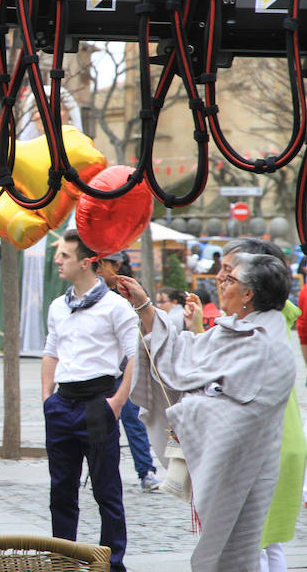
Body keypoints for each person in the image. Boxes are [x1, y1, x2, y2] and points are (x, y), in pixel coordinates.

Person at [119, 251, 296, 572]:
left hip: (243, 466)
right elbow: (185, 354)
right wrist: (144, 304)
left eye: (229, 278)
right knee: (219, 554)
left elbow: (237, 414)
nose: (220, 282)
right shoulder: (233, 329)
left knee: (235, 553)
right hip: (225, 463)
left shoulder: (266, 342)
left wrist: (186, 413)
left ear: (248, 293)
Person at [41, 230, 137, 572]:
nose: (57, 261)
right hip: (62, 404)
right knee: (60, 491)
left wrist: (116, 403)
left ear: (86, 262)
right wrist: (46, 398)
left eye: (64, 256)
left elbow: (134, 356)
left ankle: (112, 563)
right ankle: (63, 560)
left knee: (106, 490)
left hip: (99, 402)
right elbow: (51, 351)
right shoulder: (57, 306)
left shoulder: (115, 306)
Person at [213, 238, 307, 572]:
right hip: (281, 438)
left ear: (253, 287)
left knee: (253, 547)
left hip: (265, 444)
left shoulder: (257, 330)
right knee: (268, 545)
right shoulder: (269, 320)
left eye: (229, 275)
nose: (221, 281)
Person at [94, 252, 161, 492]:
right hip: (102, 369)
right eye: (97, 266)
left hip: (127, 368)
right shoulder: (94, 293)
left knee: (133, 421)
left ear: (117, 266)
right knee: (99, 424)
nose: (99, 271)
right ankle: (98, 473)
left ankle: (146, 471)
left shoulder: (132, 292)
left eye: (103, 266)